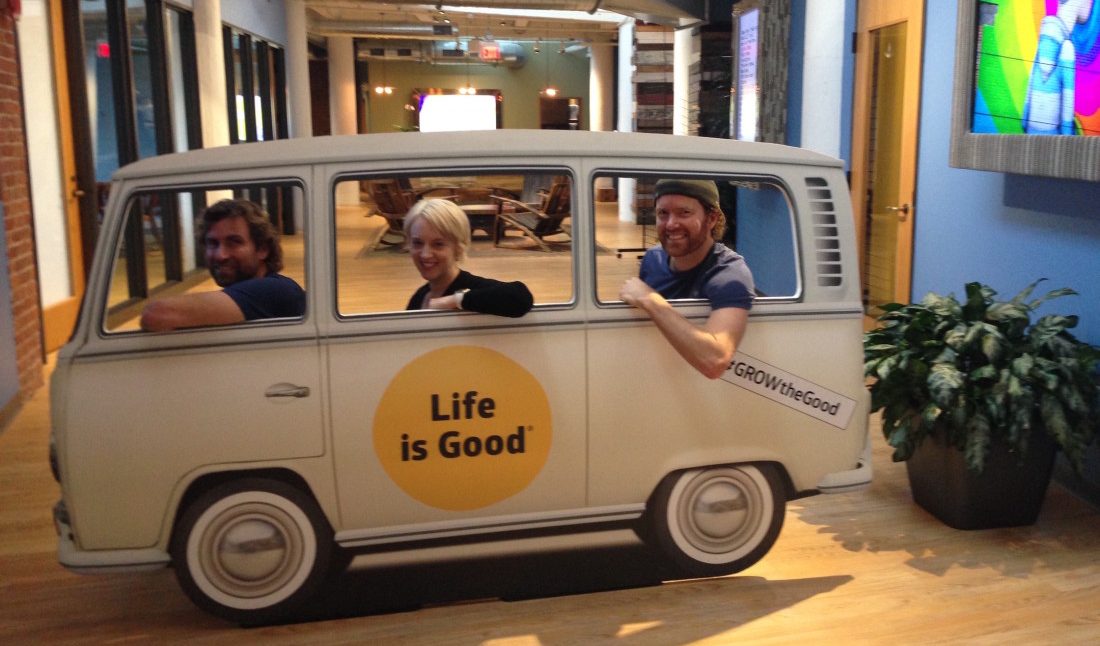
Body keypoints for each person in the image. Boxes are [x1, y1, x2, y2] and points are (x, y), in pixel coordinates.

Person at [619, 179, 754, 379]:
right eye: (663, 213)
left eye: (684, 213)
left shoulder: (730, 274)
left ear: (711, 218)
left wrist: (650, 300)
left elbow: (715, 361)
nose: (671, 224)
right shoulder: (652, 260)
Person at [140, 199, 305, 331]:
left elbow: (156, 314)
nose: (221, 255)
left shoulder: (274, 290)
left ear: (262, 249)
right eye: (212, 244)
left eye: (234, 242)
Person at [404, 198, 533, 317]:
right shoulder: (419, 297)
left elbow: (520, 297)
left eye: (438, 244)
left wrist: (454, 300)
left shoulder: (472, 287)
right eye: (417, 243)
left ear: (458, 247)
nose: (425, 254)